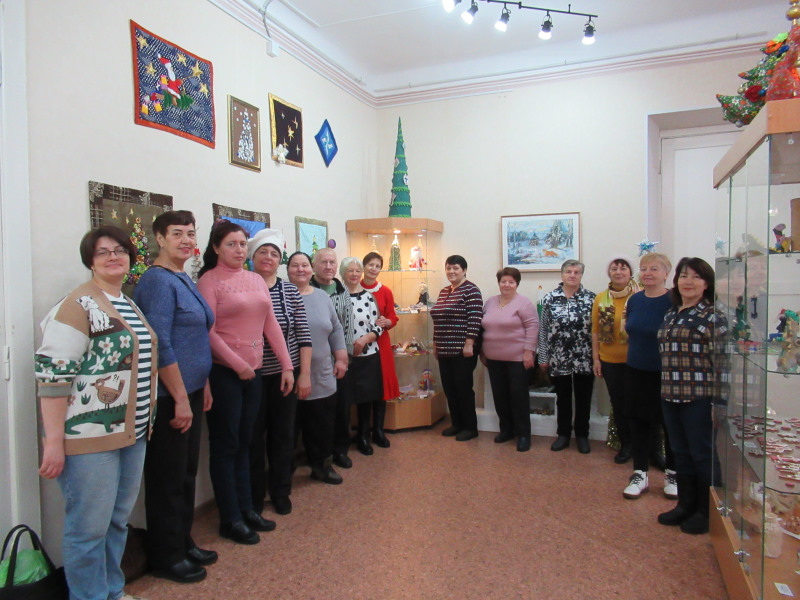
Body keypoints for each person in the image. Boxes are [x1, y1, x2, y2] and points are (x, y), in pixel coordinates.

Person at [35, 225, 157, 600]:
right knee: (88, 529)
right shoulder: (78, 304)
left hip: (132, 433)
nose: (113, 257)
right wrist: (53, 442)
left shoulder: (126, 302)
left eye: (120, 250)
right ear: (90, 260)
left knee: (117, 521)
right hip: (89, 439)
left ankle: (112, 591)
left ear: (131, 258)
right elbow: (53, 377)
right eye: (103, 252)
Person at [197, 220, 294, 545]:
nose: (239, 250)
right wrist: (237, 364)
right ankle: (230, 518)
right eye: (231, 244)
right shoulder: (209, 281)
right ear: (216, 248)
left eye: (242, 244)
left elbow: (270, 323)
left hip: (253, 374)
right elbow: (207, 331)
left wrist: (286, 365)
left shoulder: (254, 279)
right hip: (225, 374)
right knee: (226, 446)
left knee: (245, 443)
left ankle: (247, 509)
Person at [134, 211, 216, 584]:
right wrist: (181, 398)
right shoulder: (156, 281)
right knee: (167, 477)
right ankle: (166, 556)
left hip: (191, 390)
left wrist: (203, 385)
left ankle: (182, 541)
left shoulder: (182, 277)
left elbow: (195, 340)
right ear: (159, 238)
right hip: (170, 397)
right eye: (177, 233)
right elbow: (159, 343)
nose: (186, 240)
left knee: (185, 472)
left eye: (191, 233)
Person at [656, 257, 726, 535]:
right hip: (670, 394)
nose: (688, 282)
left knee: (702, 454)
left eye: (696, 277)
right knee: (680, 452)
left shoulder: (713, 316)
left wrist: (720, 403)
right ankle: (685, 505)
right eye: (684, 276)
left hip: (700, 398)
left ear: (706, 284)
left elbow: (723, 364)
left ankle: (707, 512)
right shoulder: (672, 313)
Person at [247, 229, 312, 517]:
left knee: (283, 436)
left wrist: (304, 374)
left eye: (274, 253)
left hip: (286, 375)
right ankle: (253, 495)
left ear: (279, 260)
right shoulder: (244, 287)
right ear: (253, 256)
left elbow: (303, 335)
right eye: (263, 252)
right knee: (253, 438)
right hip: (251, 377)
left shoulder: (289, 290)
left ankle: (281, 491)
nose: (268, 257)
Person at [287, 252, 349, 484]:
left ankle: (322, 466)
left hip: (322, 373)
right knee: (288, 428)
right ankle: (284, 473)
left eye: (304, 265)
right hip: (289, 374)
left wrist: (341, 358)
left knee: (322, 424)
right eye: (295, 265)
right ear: (287, 270)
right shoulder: (281, 295)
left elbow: (336, 328)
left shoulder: (322, 297)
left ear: (311, 269)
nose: (300, 269)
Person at [621, 253, 677, 501]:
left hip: (666, 373)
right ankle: (640, 474)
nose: (647, 273)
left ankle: (672, 475)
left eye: (654, 269)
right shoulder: (634, 300)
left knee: (669, 424)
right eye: (644, 269)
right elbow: (629, 330)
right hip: (636, 371)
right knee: (638, 423)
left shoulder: (674, 300)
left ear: (666, 273)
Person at [537, 259, 596, 454]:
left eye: (576, 272)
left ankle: (582, 435)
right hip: (558, 357)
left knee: (583, 398)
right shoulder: (550, 298)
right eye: (568, 271)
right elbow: (543, 330)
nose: (572, 275)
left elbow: (596, 330)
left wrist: (597, 358)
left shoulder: (591, 299)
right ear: (562, 275)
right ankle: (563, 434)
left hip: (584, 357)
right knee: (562, 398)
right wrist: (543, 357)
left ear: (581, 275)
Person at [481, 267, 539, 452]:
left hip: (517, 359)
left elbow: (533, 327)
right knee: (500, 396)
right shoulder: (490, 302)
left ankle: (523, 435)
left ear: (517, 284)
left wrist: (529, 352)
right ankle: (506, 430)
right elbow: (483, 327)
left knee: (518, 397)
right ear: (499, 283)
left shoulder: (524, 303)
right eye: (503, 281)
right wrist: (482, 352)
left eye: (511, 282)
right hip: (493, 359)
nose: (506, 285)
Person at [591, 255, 641, 464]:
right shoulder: (601, 298)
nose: (618, 272)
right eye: (614, 268)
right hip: (610, 360)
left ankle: (644, 446)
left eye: (623, 268)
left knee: (639, 404)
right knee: (619, 405)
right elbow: (595, 330)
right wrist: (596, 359)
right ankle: (626, 444)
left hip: (637, 361)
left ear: (630, 272)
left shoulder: (640, 296)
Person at [430, 255, 483, 442]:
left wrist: (469, 343)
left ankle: (470, 427)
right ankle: (457, 424)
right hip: (443, 349)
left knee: (463, 389)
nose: (451, 271)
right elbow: (438, 320)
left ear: (464, 270)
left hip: (462, 350)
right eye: (449, 268)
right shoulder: (444, 291)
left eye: (456, 268)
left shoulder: (471, 290)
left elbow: (475, 319)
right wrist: (435, 344)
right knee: (449, 388)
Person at [310, 247, 355, 469]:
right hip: (314, 362)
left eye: (332, 262)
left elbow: (347, 326)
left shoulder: (342, 290)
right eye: (323, 262)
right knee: (317, 411)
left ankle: (340, 450)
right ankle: (318, 454)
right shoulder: (307, 288)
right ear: (314, 265)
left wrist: (344, 357)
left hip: (339, 360)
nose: (328, 266)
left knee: (341, 408)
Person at [340, 257, 384, 456]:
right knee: (344, 399)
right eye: (350, 270)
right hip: (345, 357)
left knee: (366, 399)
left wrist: (365, 339)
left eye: (358, 271)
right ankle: (342, 440)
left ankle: (363, 436)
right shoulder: (336, 297)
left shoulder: (369, 297)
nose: (354, 274)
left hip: (369, 355)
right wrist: (348, 347)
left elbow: (378, 325)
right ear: (343, 272)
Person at [361, 251, 400, 447]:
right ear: (363, 266)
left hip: (381, 344)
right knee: (364, 386)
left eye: (377, 266)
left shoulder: (385, 291)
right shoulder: (353, 288)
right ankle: (363, 434)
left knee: (381, 386)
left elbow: (393, 316)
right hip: (361, 344)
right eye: (370, 265)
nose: (373, 269)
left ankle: (378, 431)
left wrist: (388, 321)